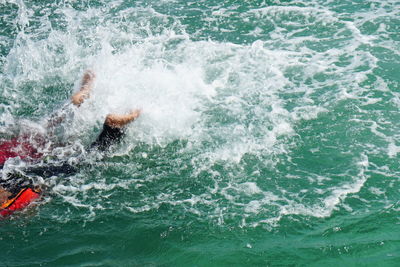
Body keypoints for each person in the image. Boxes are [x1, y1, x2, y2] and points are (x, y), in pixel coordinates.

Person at [0, 70, 141, 216]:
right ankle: (77, 100)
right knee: (40, 134)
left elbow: (34, 198)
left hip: (22, 182)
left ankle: (115, 127)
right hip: (8, 167)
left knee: (84, 162)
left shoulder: (7, 208)